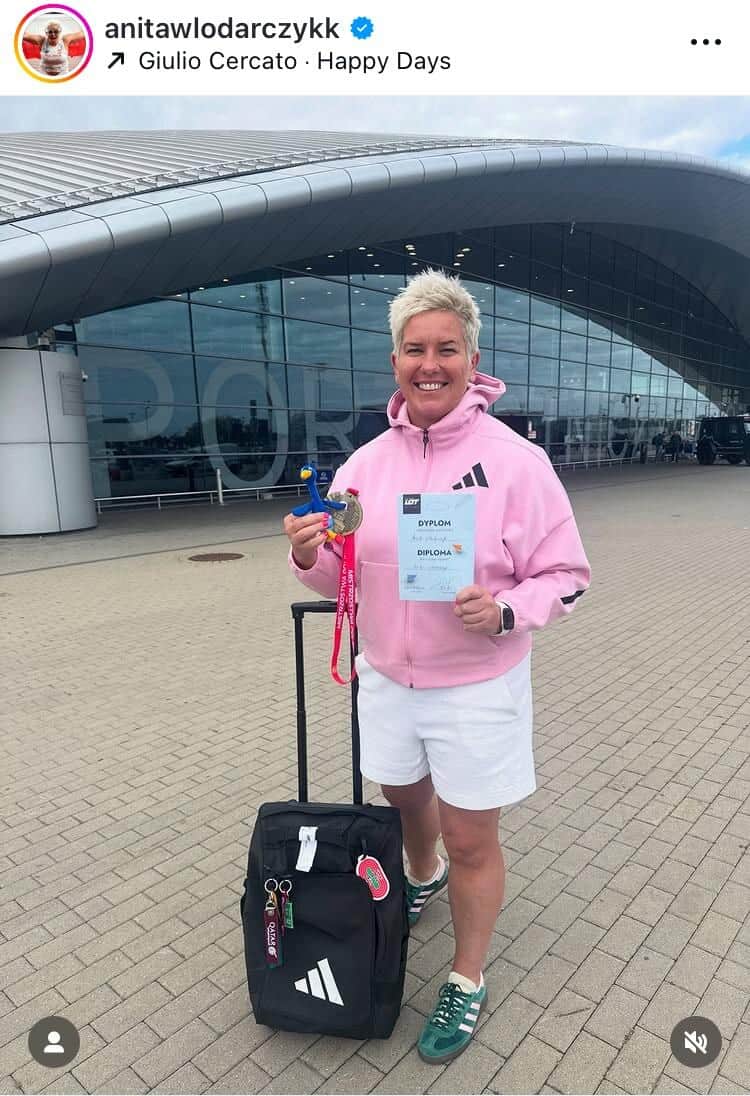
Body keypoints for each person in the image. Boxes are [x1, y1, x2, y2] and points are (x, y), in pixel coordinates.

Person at [283, 270, 591, 1065]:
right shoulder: (363, 466)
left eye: (446, 349)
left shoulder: (517, 461)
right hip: (388, 678)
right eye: (415, 349)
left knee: (471, 836)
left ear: (471, 358)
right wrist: (308, 555)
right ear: (395, 360)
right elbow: (343, 578)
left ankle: (466, 975)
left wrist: (507, 611)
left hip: (477, 686)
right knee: (404, 798)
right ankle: (420, 875)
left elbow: (566, 574)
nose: (430, 364)